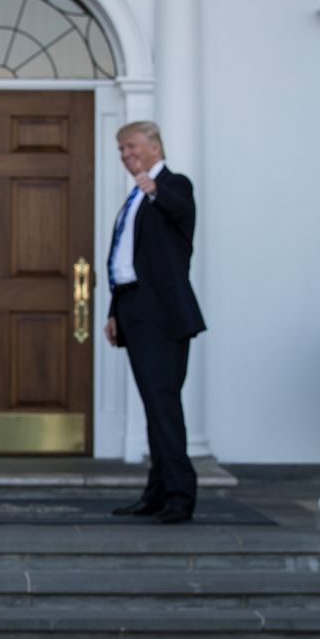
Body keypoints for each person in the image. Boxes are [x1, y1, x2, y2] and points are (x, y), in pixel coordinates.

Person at [105, 121, 206, 525]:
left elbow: (180, 210)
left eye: (130, 147)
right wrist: (114, 310)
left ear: (153, 146)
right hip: (133, 309)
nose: (125, 155)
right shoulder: (135, 197)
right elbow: (126, 258)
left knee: (163, 404)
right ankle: (158, 490)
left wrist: (155, 190)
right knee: (154, 404)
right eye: (120, 150)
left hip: (161, 313)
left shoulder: (174, 185)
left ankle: (180, 496)